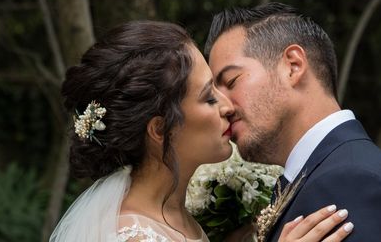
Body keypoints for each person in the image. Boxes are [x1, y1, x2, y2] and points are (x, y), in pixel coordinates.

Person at [50, 20, 354, 242]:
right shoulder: (134, 237)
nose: (228, 106)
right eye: (209, 96)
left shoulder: (183, 218)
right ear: (160, 129)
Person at [205, 3, 381, 242]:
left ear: (293, 66)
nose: (223, 107)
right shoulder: (323, 173)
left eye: (231, 81)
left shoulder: (350, 181)